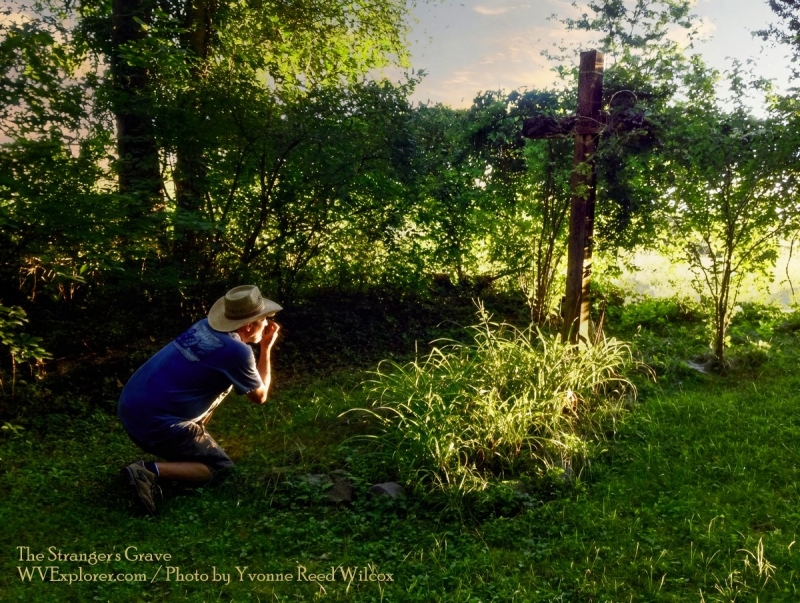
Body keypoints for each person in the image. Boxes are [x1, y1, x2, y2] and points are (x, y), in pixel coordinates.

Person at [118, 285, 281, 514]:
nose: (266, 324)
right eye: (264, 319)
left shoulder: (203, 326)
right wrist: (266, 349)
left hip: (129, 408)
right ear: (248, 325)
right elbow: (260, 396)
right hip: (158, 426)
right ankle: (147, 471)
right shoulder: (237, 352)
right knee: (221, 469)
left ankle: (178, 454)